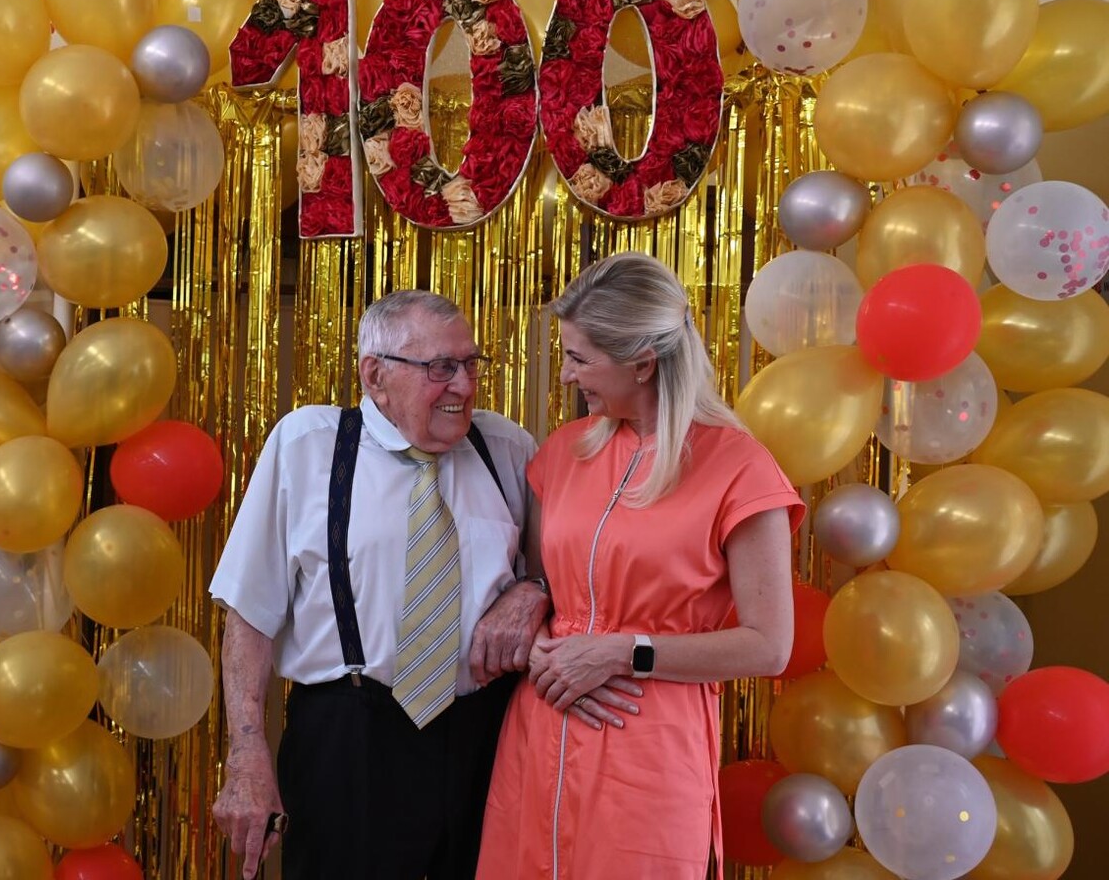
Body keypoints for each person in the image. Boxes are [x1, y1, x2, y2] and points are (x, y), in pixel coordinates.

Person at [476, 253, 806, 879]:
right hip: (542, 723)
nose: (567, 375)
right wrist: (539, 642)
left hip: (648, 739)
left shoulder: (739, 466)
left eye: (579, 359)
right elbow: (542, 584)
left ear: (643, 363)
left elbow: (769, 647)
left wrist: (627, 652)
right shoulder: (562, 452)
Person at [209, 290, 551, 880]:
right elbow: (250, 610)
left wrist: (533, 589)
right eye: (441, 367)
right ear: (376, 376)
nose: (464, 385)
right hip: (349, 738)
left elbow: (559, 578)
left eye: (471, 364)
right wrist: (247, 753)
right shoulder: (308, 443)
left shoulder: (507, 448)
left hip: (487, 734)